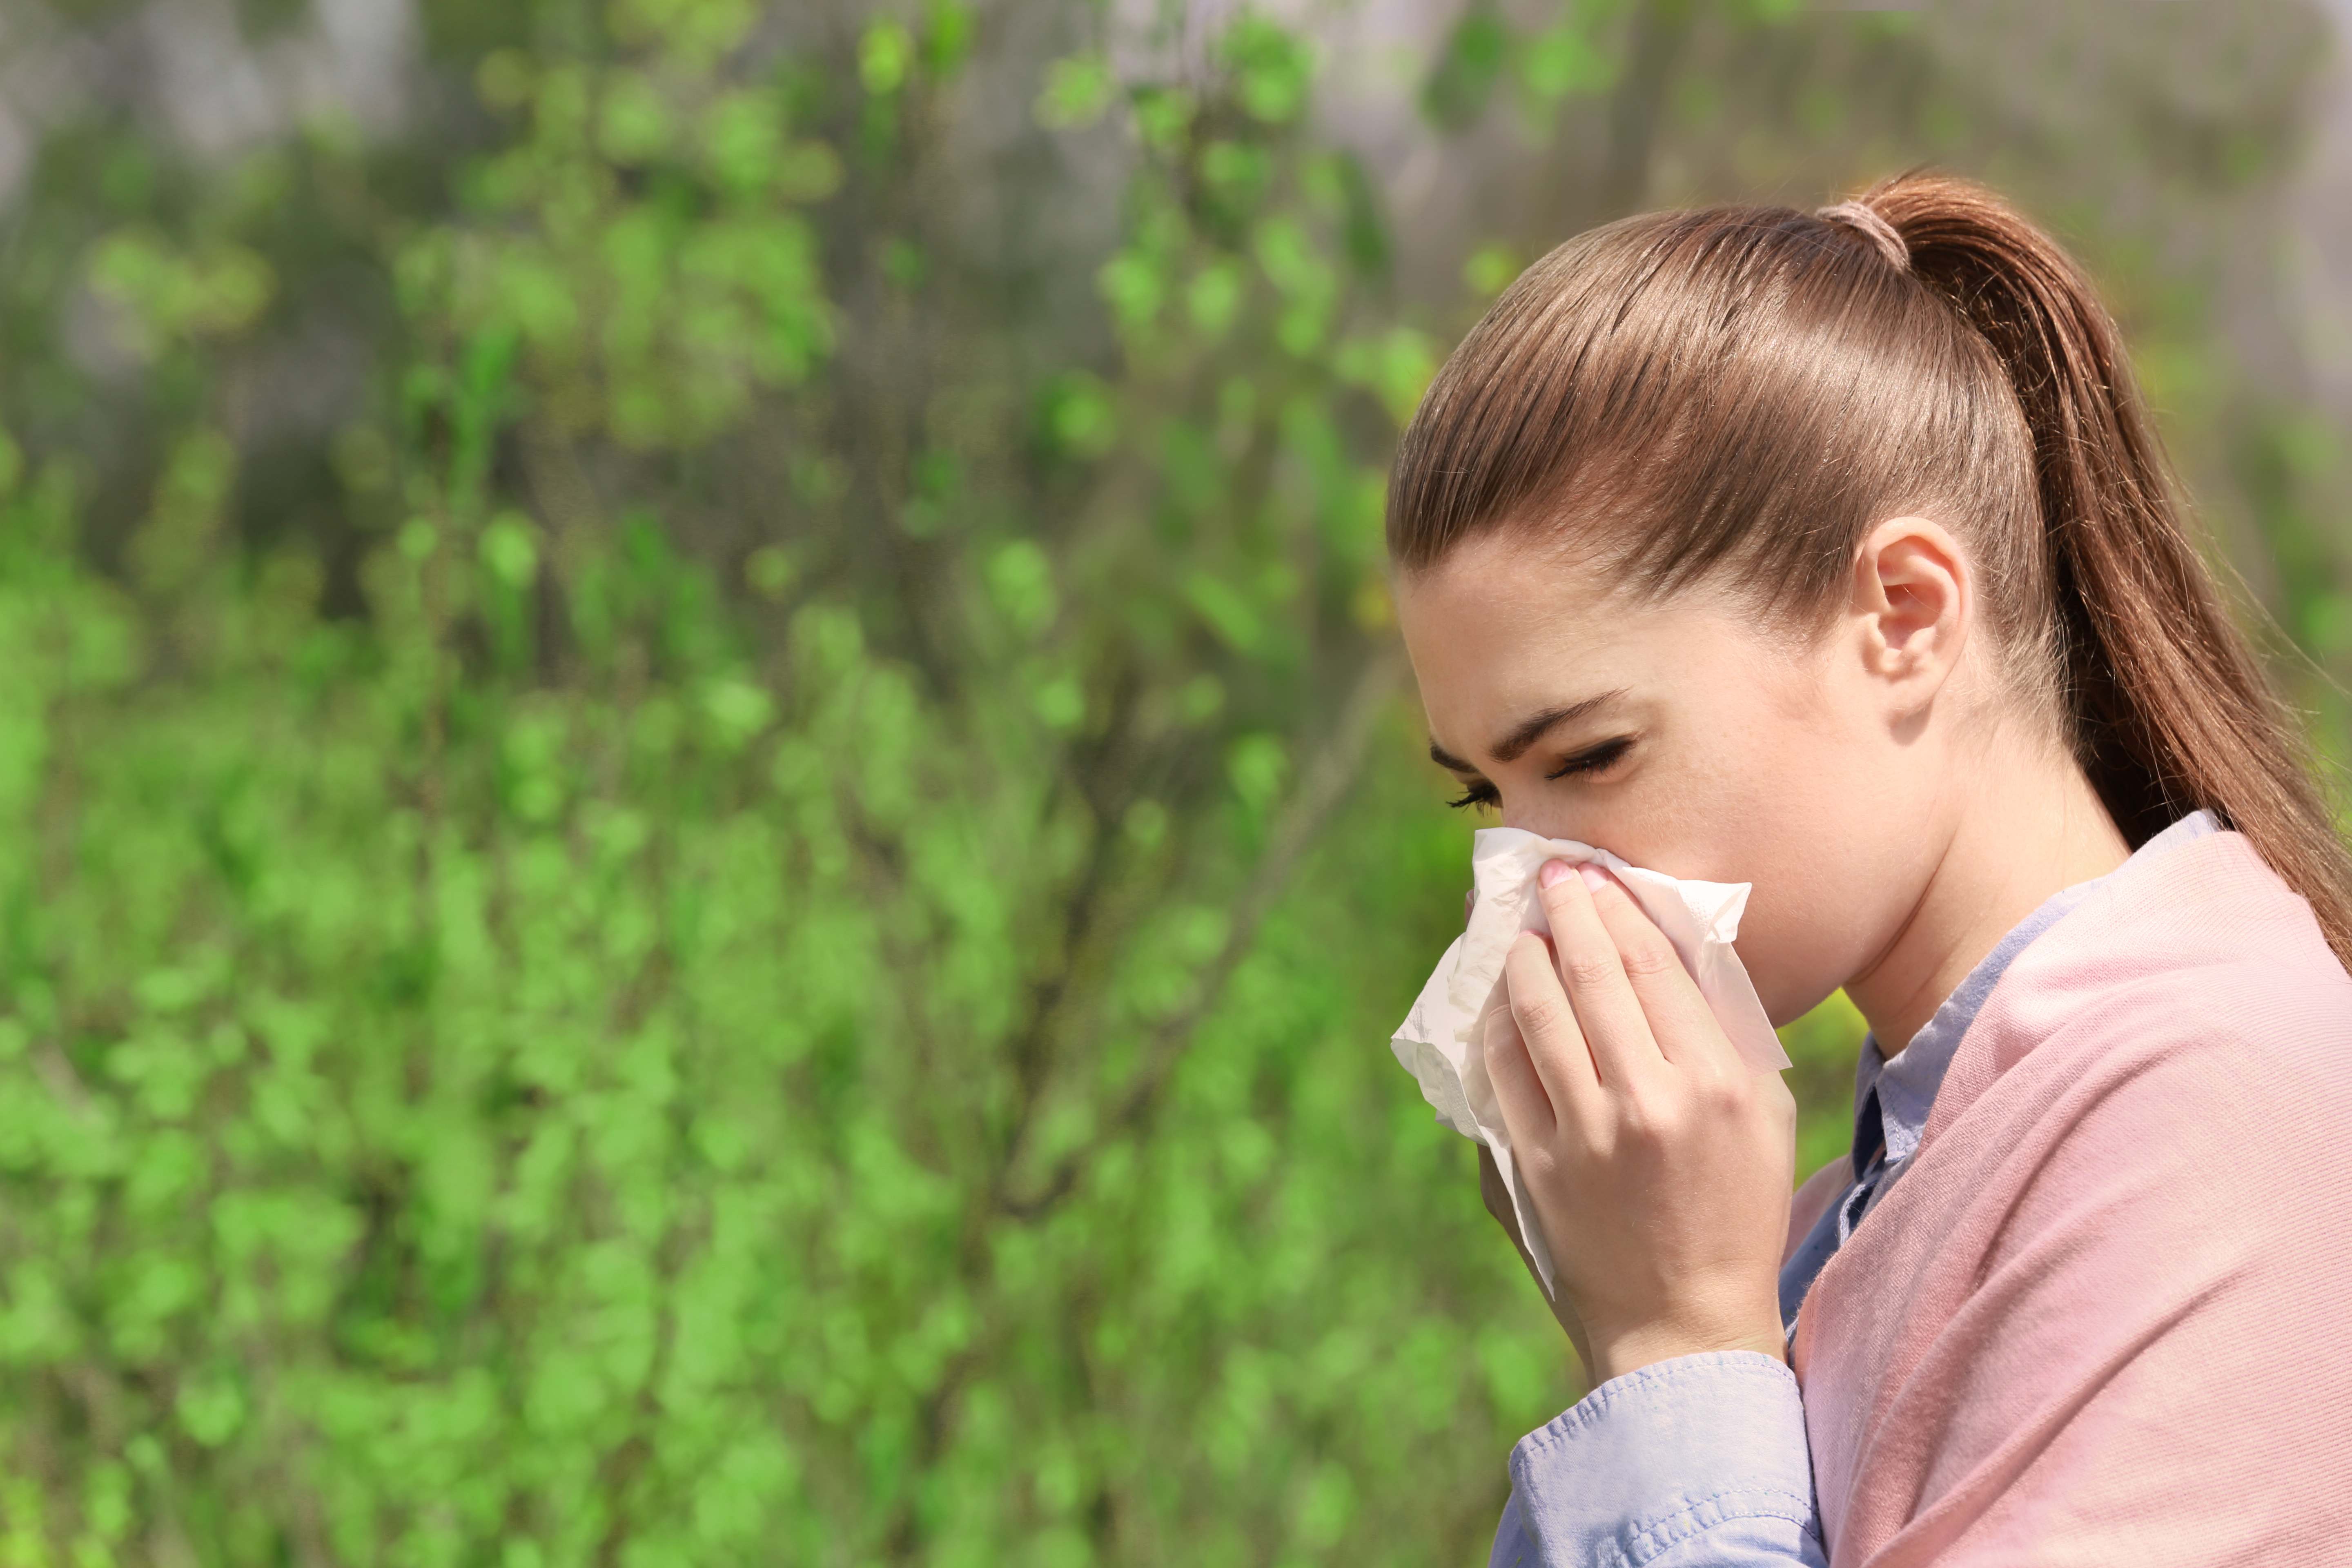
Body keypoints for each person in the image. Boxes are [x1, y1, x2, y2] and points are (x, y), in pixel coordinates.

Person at [1386, 169, 2352, 1566]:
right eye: (1489, 794)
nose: (1536, 884)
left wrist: (1673, 1342)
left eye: (1592, 759)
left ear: (1903, 617)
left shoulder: (2223, 1105)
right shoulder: (1851, 1208)